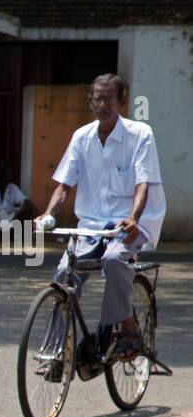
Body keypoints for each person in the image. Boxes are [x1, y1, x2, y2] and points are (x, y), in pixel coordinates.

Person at [35, 73, 165, 363]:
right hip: (91, 227)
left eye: (109, 98)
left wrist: (133, 218)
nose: (102, 104)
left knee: (114, 259)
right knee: (64, 273)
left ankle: (128, 327)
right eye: (97, 98)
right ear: (89, 101)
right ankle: (56, 353)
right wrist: (48, 213)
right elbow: (64, 186)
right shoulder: (81, 137)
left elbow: (143, 183)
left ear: (122, 101)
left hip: (132, 224)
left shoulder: (140, 134)